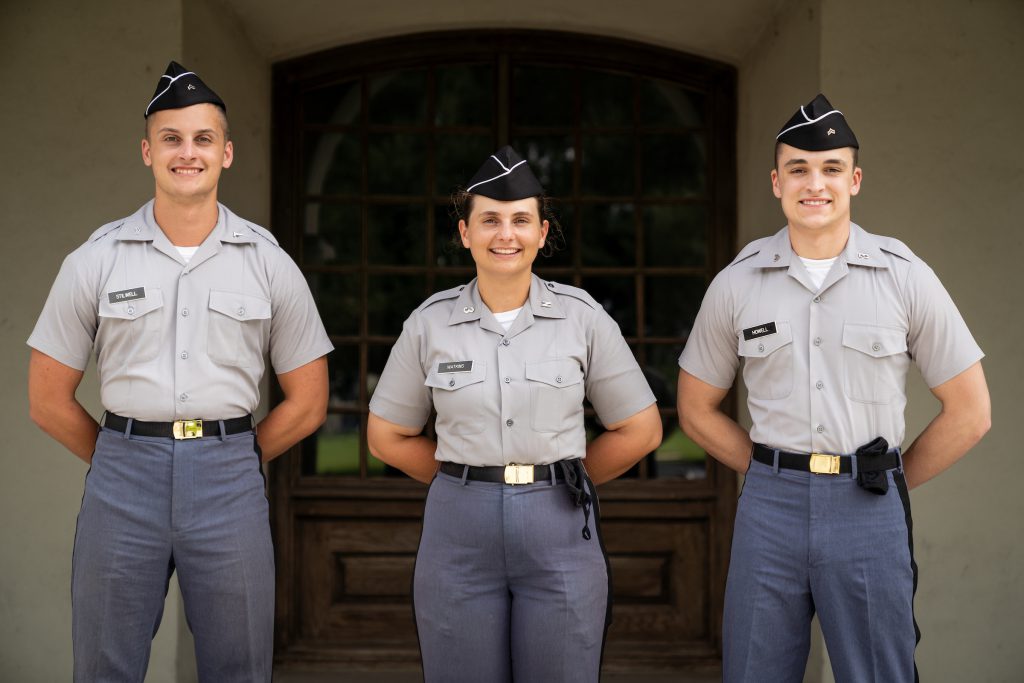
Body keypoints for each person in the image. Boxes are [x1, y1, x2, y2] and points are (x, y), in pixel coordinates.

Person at [27, 61, 333, 682]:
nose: (186, 153)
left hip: (230, 481)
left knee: (239, 668)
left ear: (226, 153)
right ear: (147, 151)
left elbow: (308, 401)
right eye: (171, 138)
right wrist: (122, 455)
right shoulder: (94, 260)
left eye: (202, 139)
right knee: (104, 666)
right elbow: (47, 399)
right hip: (121, 479)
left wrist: (239, 456)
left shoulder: (269, 264)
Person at [677, 94, 991, 682]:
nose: (813, 183)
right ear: (776, 182)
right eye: (798, 169)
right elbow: (695, 409)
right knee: (753, 671)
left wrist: (886, 480)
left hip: (868, 505)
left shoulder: (905, 277)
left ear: (855, 179)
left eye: (831, 169)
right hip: (769, 509)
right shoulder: (737, 282)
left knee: (878, 674)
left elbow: (971, 412)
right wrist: (769, 470)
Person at [367, 146, 662, 682]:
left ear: (543, 233)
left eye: (521, 220)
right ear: (465, 233)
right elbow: (386, 435)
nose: (506, 234)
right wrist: (461, 478)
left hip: (560, 527)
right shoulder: (428, 324)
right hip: (458, 534)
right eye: (490, 220)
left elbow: (641, 429)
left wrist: (569, 477)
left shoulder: (583, 319)